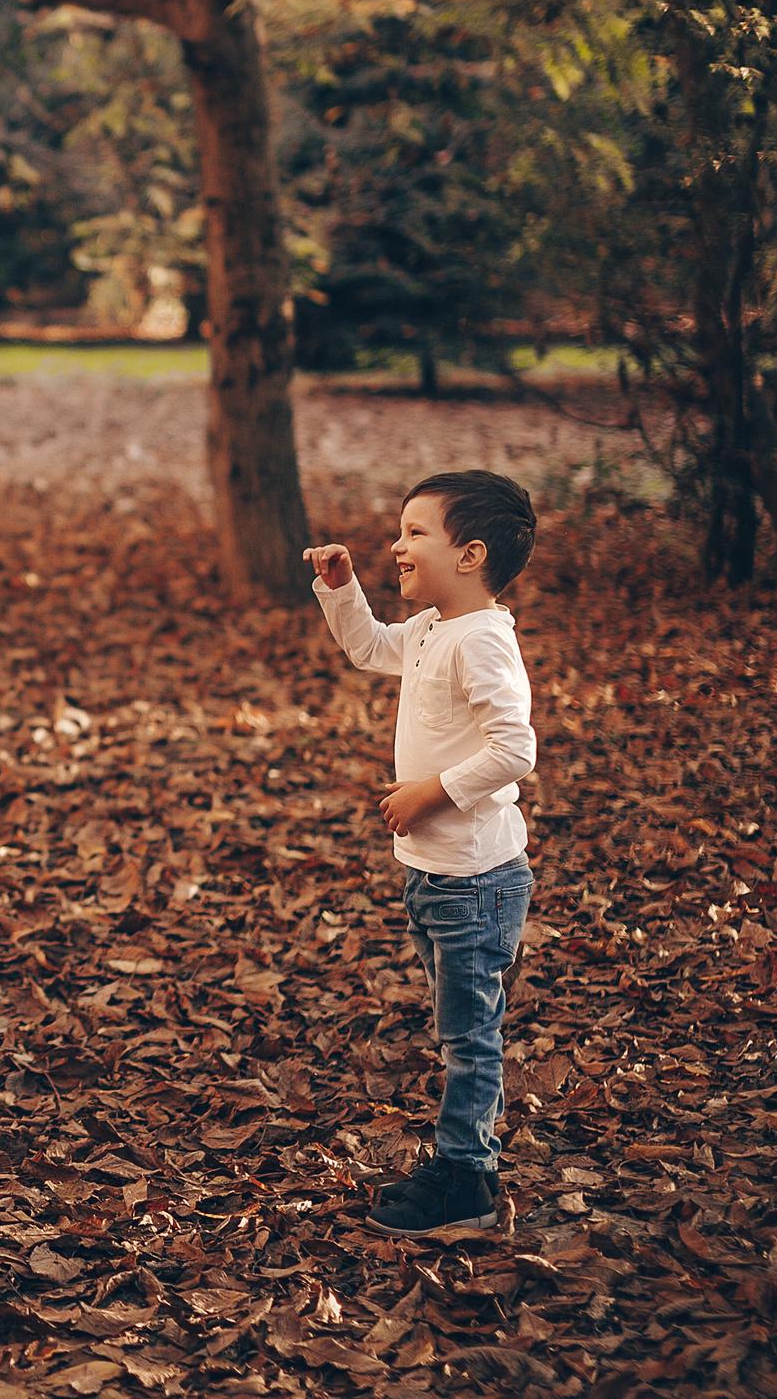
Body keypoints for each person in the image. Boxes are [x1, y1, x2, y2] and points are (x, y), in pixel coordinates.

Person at [303, 470, 539, 1235]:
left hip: (476, 879)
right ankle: (468, 1160)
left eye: (415, 532)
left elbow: (515, 749)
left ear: (470, 554)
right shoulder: (436, 626)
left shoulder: (483, 639)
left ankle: (466, 1178)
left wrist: (429, 792)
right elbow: (369, 646)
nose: (396, 546)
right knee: (458, 1027)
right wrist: (342, 587)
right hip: (437, 877)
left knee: (471, 1036)